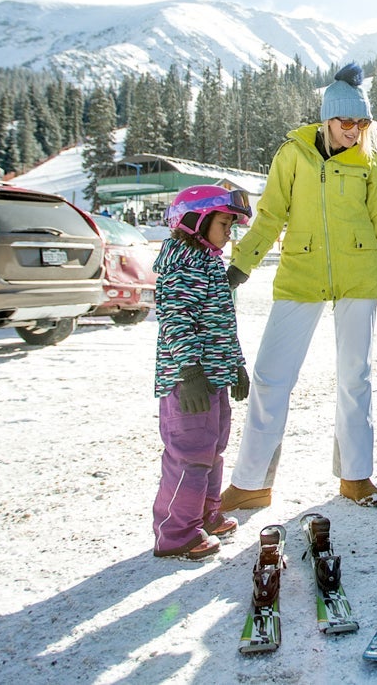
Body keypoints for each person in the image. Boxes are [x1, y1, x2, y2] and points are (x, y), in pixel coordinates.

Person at [219, 63, 377, 511]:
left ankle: (355, 477)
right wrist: (242, 264)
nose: (353, 131)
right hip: (301, 273)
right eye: (346, 122)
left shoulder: (370, 162)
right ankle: (252, 483)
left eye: (362, 123)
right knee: (271, 377)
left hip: (359, 274)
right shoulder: (292, 154)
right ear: (327, 118)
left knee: (355, 378)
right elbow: (270, 215)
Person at [150, 184, 254, 560]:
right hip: (187, 382)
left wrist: (236, 365)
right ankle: (176, 533)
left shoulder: (208, 260)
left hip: (213, 377)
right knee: (190, 454)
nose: (230, 231)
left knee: (212, 449)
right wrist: (189, 371)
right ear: (196, 220)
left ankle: (204, 514)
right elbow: (177, 321)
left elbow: (221, 323)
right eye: (225, 223)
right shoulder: (182, 262)